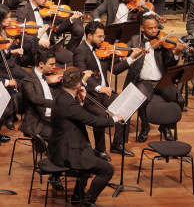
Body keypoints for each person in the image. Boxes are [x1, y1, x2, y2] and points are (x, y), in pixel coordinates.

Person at [50, 67, 122, 207]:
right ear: (78, 85)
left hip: (59, 147)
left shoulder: (60, 96)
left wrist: (81, 101)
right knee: (107, 170)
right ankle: (87, 202)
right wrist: (115, 119)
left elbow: (74, 114)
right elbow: (93, 120)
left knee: (88, 158)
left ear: (63, 81)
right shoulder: (69, 103)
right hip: (68, 152)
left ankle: (77, 196)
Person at [112, 13, 187, 141]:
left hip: (161, 81)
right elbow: (123, 54)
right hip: (143, 81)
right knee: (140, 99)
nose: (154, 31)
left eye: (156, 27)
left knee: (179, 100)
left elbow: (170, 63)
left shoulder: (163, 42)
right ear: (142, 28)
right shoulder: (135, 40)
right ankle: (145, 127)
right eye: (150, 28)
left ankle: (165, 126)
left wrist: (176, 53)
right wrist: (126, 57)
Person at [73, 20, 131, 158]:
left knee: (126, 106)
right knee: (100, 115)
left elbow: (115, 69)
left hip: (104, 94)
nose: (102, 39)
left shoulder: (103, 49)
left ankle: (117, 144)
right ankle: (100, 149)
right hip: (89, 95)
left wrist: (130, 59)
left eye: (103, 36)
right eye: (99, 36)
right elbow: (82, 73)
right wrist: (99, 88)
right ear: (89, 36)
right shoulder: (80, 51)